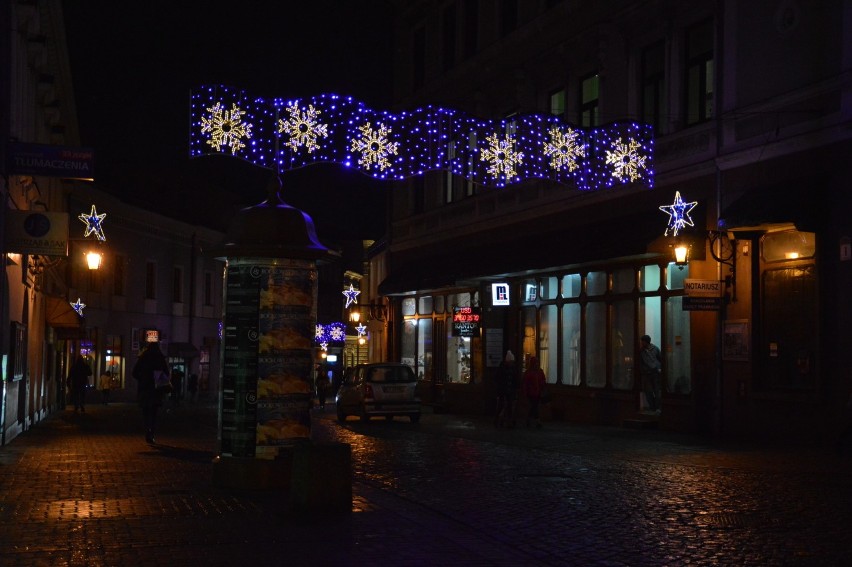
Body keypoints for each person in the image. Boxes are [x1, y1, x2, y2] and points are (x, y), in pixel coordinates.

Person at [132, 341, 170, 444]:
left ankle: (147, 430)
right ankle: (151, 432)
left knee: (145, 412)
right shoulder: (160, 358)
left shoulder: (143, 358)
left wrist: (142, 378)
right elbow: (166, 373)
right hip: (156, 389)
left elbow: (134, 373)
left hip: (144, 388)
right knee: (154, 413)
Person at [639, 334, 662, 414]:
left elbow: (660, 358)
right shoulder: (642, 351)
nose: (641, 343)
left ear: (646, 342)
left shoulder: (654, 349)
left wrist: (659, 369)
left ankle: (657, 407)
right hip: (648, 373)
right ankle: (653, 407)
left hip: (655, 373)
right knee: (649, 391)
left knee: (656, 391)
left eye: (642, 342)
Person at [522, 355, 546, 429]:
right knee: (534, 406)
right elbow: (525, 383)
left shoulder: (538, 371)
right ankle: (537, 421)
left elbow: (542, 381)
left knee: (534, 407)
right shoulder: (530, 372)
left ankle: (529, 419)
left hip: (537, 392)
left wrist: (542, 387)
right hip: (531, 393)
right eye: (535, 362)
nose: (536, 364)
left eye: (537, 362)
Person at [495, 350, 517, 428]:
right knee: (503, 406)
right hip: (504, 391)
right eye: (511, 361)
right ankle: (502, 421)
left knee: (508, 407)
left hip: (508, 391)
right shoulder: (506, 369)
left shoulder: (508, 368)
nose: (512, 363)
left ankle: (505, 422)